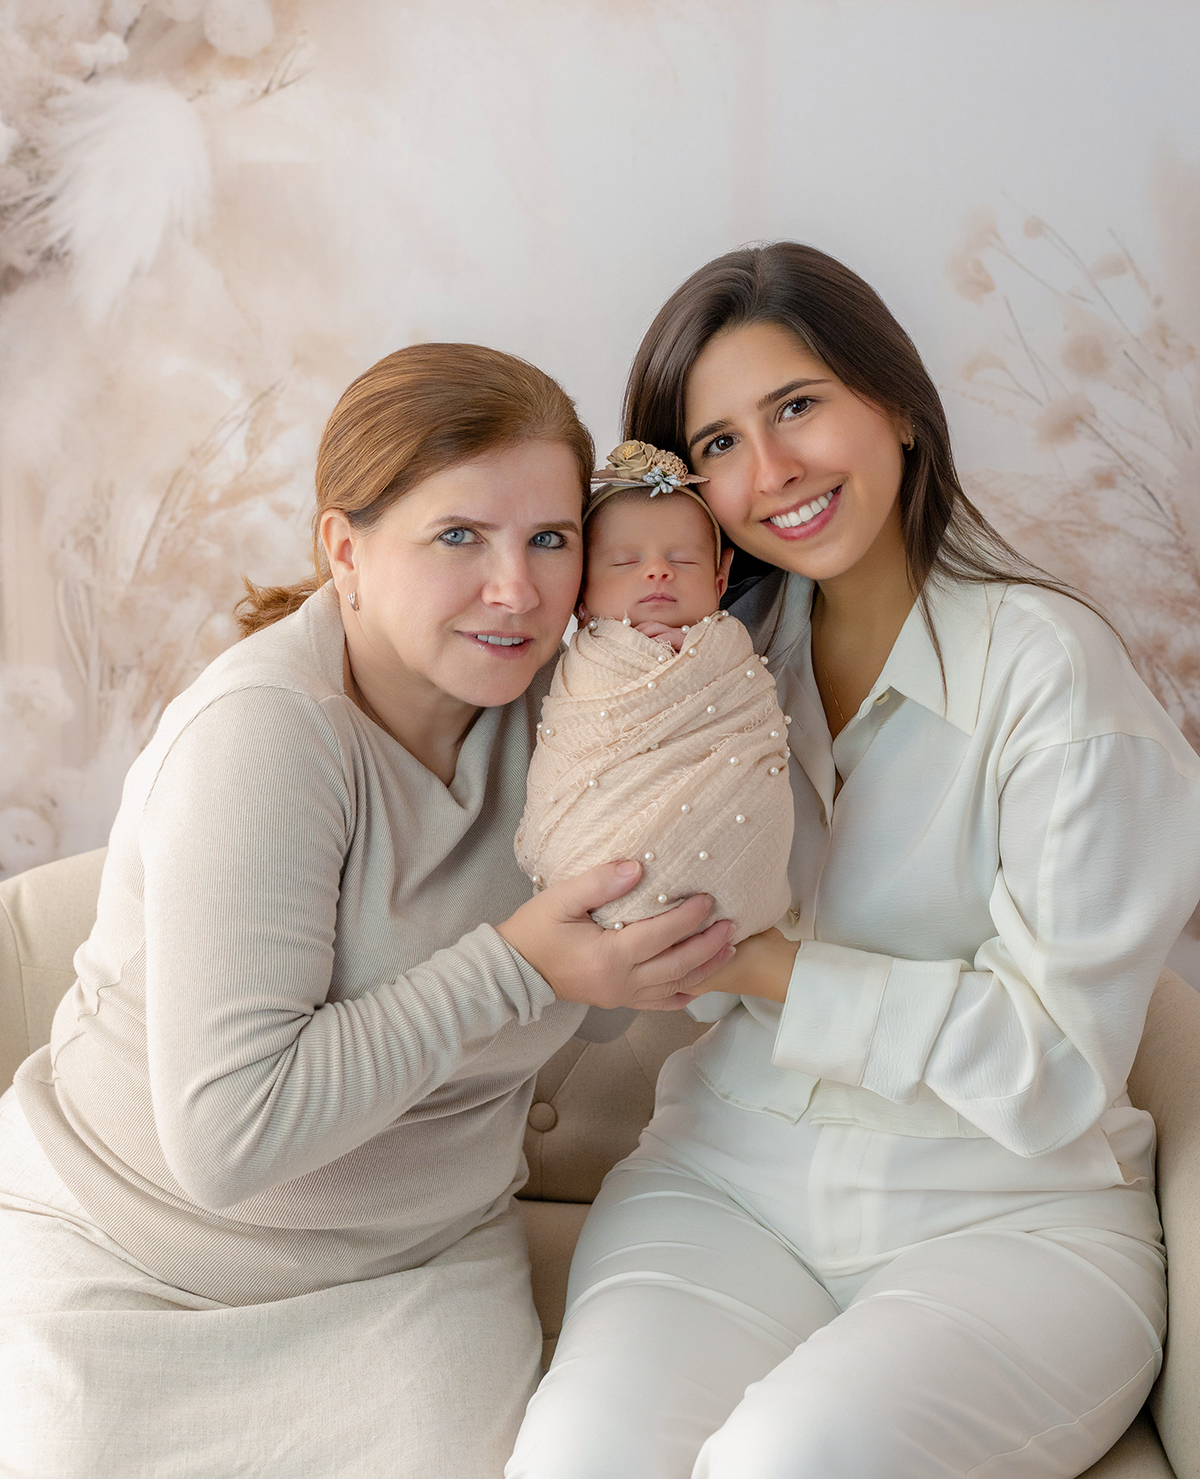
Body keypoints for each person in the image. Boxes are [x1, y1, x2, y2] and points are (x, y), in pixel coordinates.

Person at [507, 244, 1200, 1479]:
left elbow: (1052, 1070)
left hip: (1006, 1218)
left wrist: (771, 969)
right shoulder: (703, 664)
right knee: (573, 1460)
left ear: (896, 406)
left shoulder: (1051, 673)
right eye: (716, 444)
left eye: (796, 407)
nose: (769, 473)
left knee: (792, 1460)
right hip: (726, 1183)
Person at [0, 343, 735, 1479]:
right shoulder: (267, 737)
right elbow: (228, 1139)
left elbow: (594, 1015)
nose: (517, 589)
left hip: (414, 1276)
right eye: (460, 537)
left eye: (549, 538)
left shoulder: (572, 712)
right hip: (130, 1267)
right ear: (345, 550)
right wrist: (519, 965)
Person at [515, 439, 793, 939]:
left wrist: (694, 657)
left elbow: (747, 721)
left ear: (720, 576)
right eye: (624, 563)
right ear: (579, 592)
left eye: (683, 561)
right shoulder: (589, 661)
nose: (657, 571)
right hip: (592, 855)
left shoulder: (730, 651)